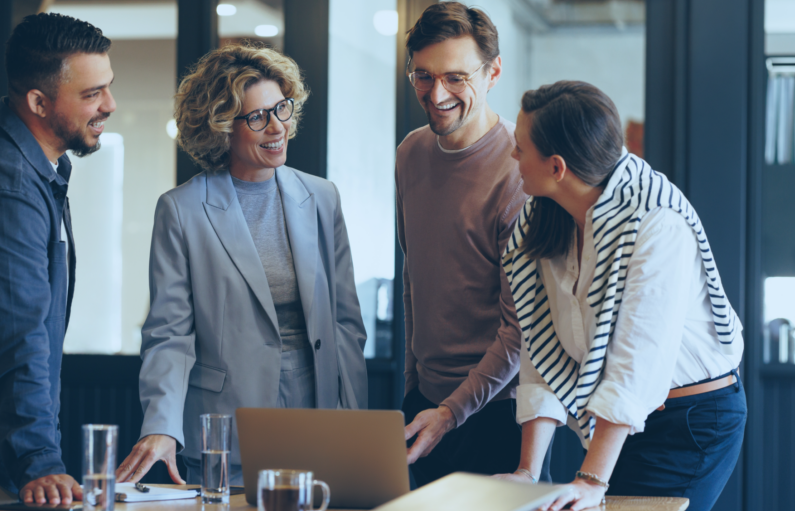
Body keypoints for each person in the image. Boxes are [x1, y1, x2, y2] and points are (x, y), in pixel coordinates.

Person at [115, 43, 368, 486]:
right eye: (257, 117)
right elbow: (168, 334)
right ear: (221, 128)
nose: (277, 127)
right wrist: (161, 424)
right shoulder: (182, 210)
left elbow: (346, 323)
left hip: (318, 413)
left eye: (282, 109)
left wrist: (354, 422)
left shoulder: (322, 197)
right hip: (226, 422)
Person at [497, 81, 746, 511]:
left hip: (692, 422)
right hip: (622, 423)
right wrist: (527, 472)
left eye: (520, 148)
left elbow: (638, 362)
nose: (512, 156)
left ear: (557, 167)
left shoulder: (657, 222)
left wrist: (592, 478)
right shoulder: (545, 216)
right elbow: (540, 344)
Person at [396, 2, 552, 487]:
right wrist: (416, 391)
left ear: (494, 72)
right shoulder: (410, 152)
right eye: (423, 75)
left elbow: (520, 327)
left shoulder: (518, 172)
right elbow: (414, 280)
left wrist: (451, 411)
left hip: (496, 410)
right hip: (423, 404)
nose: (436, 93)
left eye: (455, 77)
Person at [0, 13, 115, 505]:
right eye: (92, 94)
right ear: (38, 102)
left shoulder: (42, 169)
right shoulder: (13, 184)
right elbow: (19, 329)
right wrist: (40, 462)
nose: (109, 105)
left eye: (108, 87)